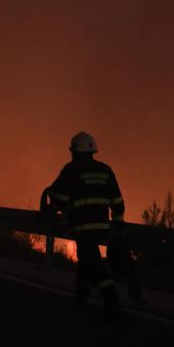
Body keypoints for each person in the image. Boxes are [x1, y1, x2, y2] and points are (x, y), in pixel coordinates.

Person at [46, 132, 125, 319]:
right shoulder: (105, 170)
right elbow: (117, 200)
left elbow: (57, 195)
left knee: (93, 263)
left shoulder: (71, 170)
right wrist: (118, 222)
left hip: (81, 225)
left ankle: (111, 299)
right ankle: (81, 296)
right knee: (86, 258)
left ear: (74, 151)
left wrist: (59, 210)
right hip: (101, 226)